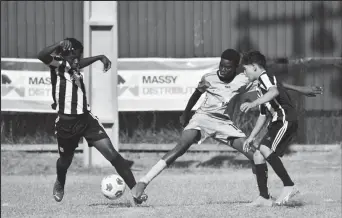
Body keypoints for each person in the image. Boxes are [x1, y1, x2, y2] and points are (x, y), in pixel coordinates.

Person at [132, 49, 323, 200]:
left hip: (223, 123)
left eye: (228, 67)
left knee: (255, 153)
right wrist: (186, 112)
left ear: (236, 68)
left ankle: (264, 196)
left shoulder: (243, 79)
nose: (223, 70)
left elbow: (273, 84)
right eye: (221, 66)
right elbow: (196, 94)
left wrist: (302, 89)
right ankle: (143, 182)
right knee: (182, 145)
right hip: (202, 118)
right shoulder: (209, 78)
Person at [37, 38, 147, 204]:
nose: (78, 59)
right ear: (69, 51)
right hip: (66, 124)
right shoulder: (57, 64)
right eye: (77, 55)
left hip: (86, 120)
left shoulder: (74, 66)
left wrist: (99, 57)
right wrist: (59, 44)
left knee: (113, 154)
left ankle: (135, 190)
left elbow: (80, 63)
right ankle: (60, 182)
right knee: (65, 161)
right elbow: (41, 55)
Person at [240, 50, 300, 207]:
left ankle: (289, 185)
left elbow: (274, 91)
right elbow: (262, 115)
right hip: (276, 121)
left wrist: (252, 103)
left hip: (285, 118)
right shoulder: (260, 86)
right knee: (258, 155)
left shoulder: (265, 77)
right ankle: (264, 197)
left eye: (245, 69)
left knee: (265, 148)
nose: (244, 73)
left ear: (254, 67)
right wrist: (251, 136)